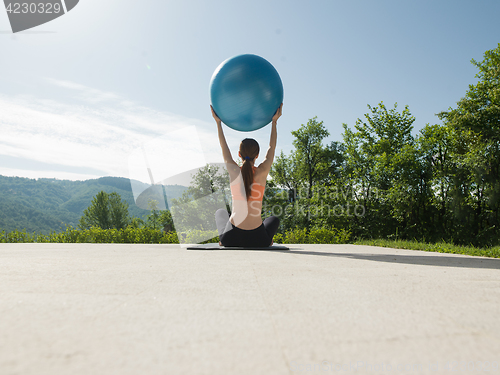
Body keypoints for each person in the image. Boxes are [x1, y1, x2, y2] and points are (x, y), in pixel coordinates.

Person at [211, 103, 283, 247]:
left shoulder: (234, 171)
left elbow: (223, 146)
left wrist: (218, 123)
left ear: (239, 154)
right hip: (258, 238)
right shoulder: (262, 171)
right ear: (257, 155)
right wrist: (274, 122)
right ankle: (268, 240)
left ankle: (221, 240)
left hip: (230, 238)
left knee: (220, 212)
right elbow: (272, 147)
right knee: (274, 219)